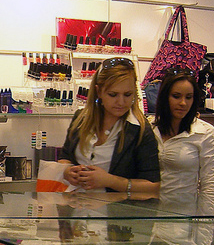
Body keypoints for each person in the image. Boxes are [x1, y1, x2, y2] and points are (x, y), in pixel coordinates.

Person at [58, 57, 160, 196]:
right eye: (113, 94)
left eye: (128, 94)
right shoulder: (80, 119)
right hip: (76, 211)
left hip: (115, 214)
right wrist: (67, 171)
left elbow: (153, 186)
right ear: (99, 91)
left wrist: (110, 181)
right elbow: (65, 157)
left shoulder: (140, 130)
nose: (121, 102)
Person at [152, 67, 214, 215]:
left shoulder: (205, 133)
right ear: (165, 97)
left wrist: (204, 231)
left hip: (181, 223)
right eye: (176, 96)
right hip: (147, 220)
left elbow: (209, 187)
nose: (183, 103)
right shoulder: (150, 129)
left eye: (189, 97)